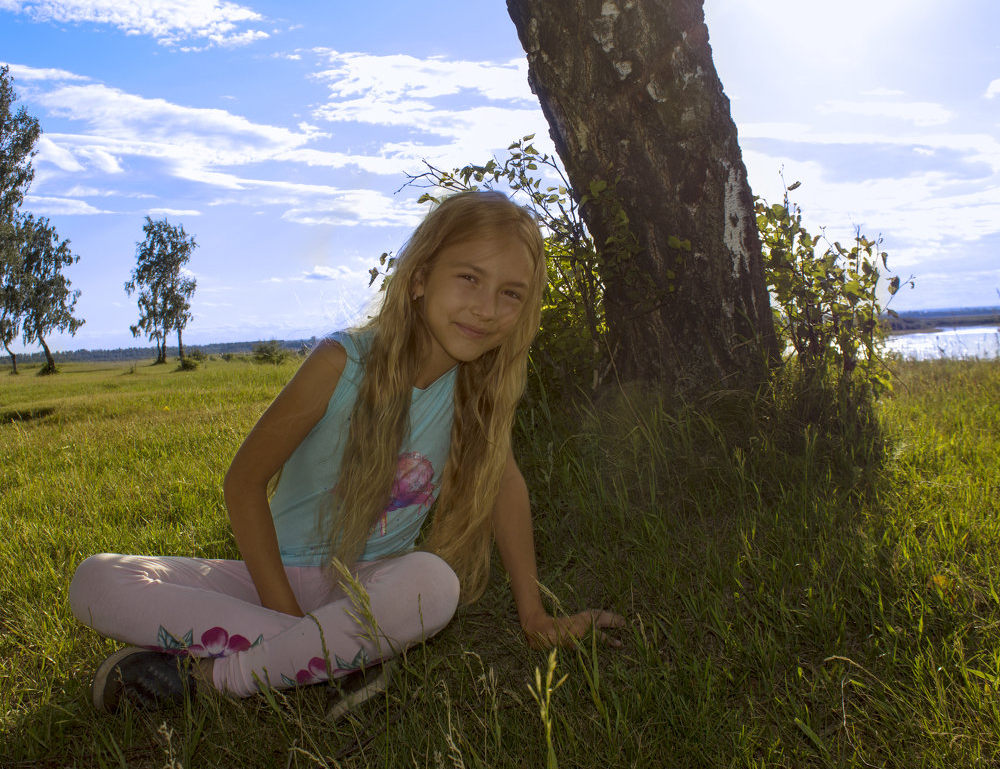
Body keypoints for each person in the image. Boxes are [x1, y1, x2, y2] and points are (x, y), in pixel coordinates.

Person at [69, 191, 624, 715]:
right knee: (96, 580)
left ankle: (213, 680)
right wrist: (286, 612)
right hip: (271, 581)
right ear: (420, 280)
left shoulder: (476, 392)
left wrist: (535, 616)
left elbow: (505, 489)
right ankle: (319, 654)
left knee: (435, 584)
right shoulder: (342, 363)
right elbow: (242, 484)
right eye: (470, 278)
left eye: (510, 293)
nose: (486, 308)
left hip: (371, 587)